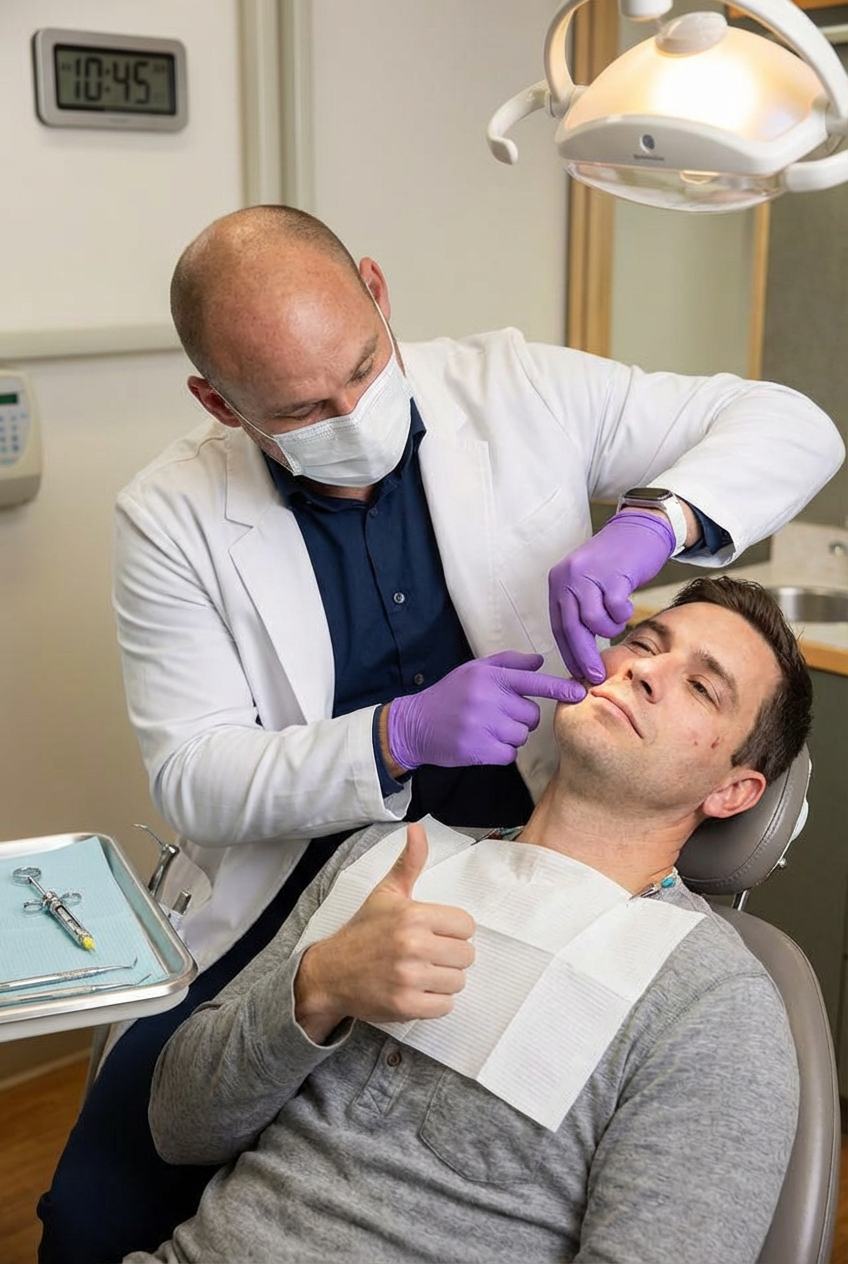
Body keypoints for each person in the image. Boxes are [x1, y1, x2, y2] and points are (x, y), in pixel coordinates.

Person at [37, 204, 843, 1263]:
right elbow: (192, 775)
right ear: (219, 403)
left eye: (364, 369)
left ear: (377, 291)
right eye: (303, 407)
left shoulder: (705, 1005)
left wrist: (656, 523)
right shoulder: (170, 515)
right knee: (92, 1214)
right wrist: (393, 740)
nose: (349, 413)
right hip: (319, 875)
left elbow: (794, 425)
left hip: (533, 851)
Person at [120, 575, 809, 1264]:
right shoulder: (388, 857)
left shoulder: (710, 999)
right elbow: (178, 1128)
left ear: (733, 791)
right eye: (644, 644)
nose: (645, 671)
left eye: (701, 687)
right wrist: (317, 987)